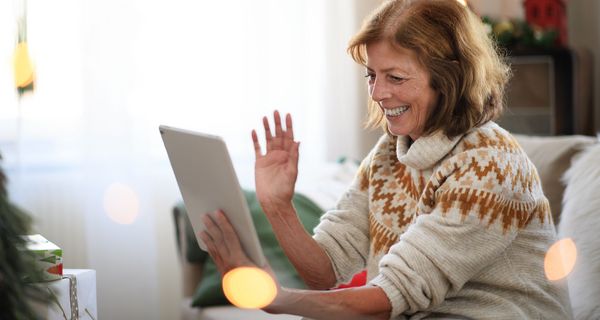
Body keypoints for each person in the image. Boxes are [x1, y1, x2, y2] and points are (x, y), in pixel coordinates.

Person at [200, 0, 572, 319]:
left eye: (395, 77)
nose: (378, 93)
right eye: (371, 76)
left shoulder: (491, 163)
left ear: (448, 80)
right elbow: (325, 271)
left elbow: (391, 299)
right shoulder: (389, 155)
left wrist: (274, 298)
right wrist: (277, 205)